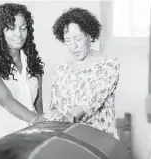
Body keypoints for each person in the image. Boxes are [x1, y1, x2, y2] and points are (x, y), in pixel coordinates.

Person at [45, 7, 120, 139]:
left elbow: (91, 99)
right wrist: (53, 114)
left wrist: (69, 117)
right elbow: (54, 106)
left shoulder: (108, 65)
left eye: (78, 39)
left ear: (90, 36)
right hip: (69, 141)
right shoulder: (61, 69)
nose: (73, 46)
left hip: (100, 143)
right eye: (67, 40)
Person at [0, 3, 45, 145]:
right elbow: (6, 100)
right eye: (11, 28)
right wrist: (36, 119)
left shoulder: (33, 65)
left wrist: (43, 125)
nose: (18, 34)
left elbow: (38, 108)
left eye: (23, 28)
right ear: (0, 31)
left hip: (26, 143)